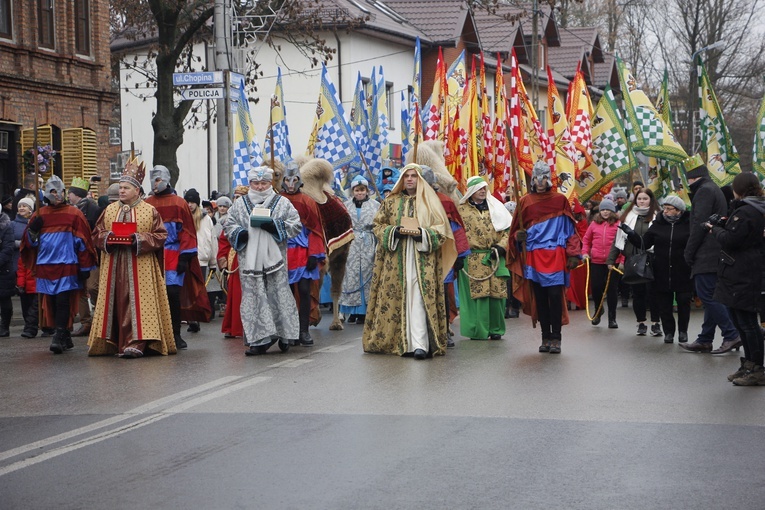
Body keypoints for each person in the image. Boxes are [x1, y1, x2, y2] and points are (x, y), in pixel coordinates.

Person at [362, 163, 457, 359]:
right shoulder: (390, 202)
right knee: (399, 299)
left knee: (420, 299)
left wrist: (422, 235)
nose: (410, 179)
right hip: (396, 260)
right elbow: (378, 225)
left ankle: (420, 344)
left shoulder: (430, 203)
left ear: (420, 179)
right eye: (407, 176)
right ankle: (402, 343)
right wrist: (393, 232)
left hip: (422, 260)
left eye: (414, 176)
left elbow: (441, 231)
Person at [87, 159, 176, 358]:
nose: (121, 191)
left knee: (139, 303)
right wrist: (109, 238)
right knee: (116, 300)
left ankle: (138, 342)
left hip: (141, 265)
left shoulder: (149, 210)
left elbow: (161, 235)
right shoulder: (109, 210)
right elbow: (96, 234)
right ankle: (114, 340)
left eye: (126, 188)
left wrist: (137, 239)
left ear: (137, 190)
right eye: (120, 187)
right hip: (114, 264)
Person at [223, 165, 302, 355]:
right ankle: (259, 339)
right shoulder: (240, 204)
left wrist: (275, 226)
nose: (259, 187)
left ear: (270, 183)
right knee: (253, 297)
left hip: (276, 260)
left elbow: (296, 225)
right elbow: (229, 225)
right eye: (255, 183)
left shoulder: (282, 203)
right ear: (250, 183)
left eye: (263, 183)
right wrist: (239, 234)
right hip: (249, 260)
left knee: (279, 295)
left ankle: (285, 334)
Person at [507, 161, 581, 354]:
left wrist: (573, 253)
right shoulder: (525, 202)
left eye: (545, 177)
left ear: (550, 178)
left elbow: (570, 230)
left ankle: (556, 338)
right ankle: (545, 336)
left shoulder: (560, 200)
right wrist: (518, 237)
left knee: (555, 296)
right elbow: (515, 231)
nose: (541, 182)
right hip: (533, 255)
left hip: (555, 254)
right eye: (538, 178)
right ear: (533, 180)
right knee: (540, 298)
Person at [20, 176, 97, 354]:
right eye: (53, 191)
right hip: (45, 265)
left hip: (67, 264)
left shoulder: (74, 213)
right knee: (51, 301)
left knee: (63, 299)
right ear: (47, 193)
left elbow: (83, 242)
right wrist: (33, 229)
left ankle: (59, 334)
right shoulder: (40, 214)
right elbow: (29, 244)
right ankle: (64, 335)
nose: (58, 194)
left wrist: (85, 268)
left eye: (61, 191)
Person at [705, 173, 765, 385]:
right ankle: (749, 364)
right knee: (741, 322)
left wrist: (716, 229)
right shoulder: (752, 208)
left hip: (743, 272)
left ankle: (758, 368)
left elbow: (732, 239)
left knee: (747, 323)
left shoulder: (748, 211)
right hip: (741, 271)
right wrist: (726, 221)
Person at [680, 155, 741, 354]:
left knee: (707, 294)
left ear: (691, 177)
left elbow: (699, 225)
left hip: (706, 253)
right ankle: (705, 339)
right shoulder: (713, 188)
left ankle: (731, 334)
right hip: (716, 251)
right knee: (712, 295)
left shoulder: (703, 192)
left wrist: (689, 252)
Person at [145, 165, 209, 349]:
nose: (155, 183)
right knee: (154, 296)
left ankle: (175, 333)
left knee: (173, 293)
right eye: (153, 179)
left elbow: (188, 231)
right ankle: (156, 333)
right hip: (153, 254)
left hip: (174, 254)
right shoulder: (147, 203)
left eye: (158, 179)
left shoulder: (180, 203)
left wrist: (185, 257)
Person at [622, 194, 692, 344]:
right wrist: (631, 234)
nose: (665, 211)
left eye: (669, 209)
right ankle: (668, 332)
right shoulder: (658, 223)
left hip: (683, 269)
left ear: (679, 211)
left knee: (683, 302)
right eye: (664, 208)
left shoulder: (689, 223)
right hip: (661, 268)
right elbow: (644, 243)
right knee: (664, 303)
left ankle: (683, 331)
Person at [457, 176, 511, 340]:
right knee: (478, 297)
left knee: (497, 295)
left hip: (495, 256)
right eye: (479, 188)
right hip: (472, 258)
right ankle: (477, 330)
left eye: (484, 188)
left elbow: (508, 230)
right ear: (471, 191)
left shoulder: (497, 208)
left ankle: (496, 329)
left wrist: (502, 246)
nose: (482, 191)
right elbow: (456, 233)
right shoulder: (461, 210)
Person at [280, 163, 326, 345]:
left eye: (294, 180)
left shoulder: (308, 202)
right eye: (287, 179)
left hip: (303, 252)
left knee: (305, 290)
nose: (291, 183)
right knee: (287, 293)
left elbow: (315, 230)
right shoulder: (277, 201)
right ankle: (289, 330)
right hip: (284, 252)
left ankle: (303, 330)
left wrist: (314, 254)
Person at [609, 189, 662, 337]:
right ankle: (641, 323)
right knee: (638, 293)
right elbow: (618, 240)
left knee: (653, 293)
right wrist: (611, 259)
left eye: (645, 199)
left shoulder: (658, 217)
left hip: (653, 259)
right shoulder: (628, 217)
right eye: (639, 199)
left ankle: (656, 323)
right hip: (633, 259)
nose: (642, 201)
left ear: (651, 200)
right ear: (635, 200)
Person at [339, 176, 379, 326]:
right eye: (357, 190)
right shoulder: (346, 206)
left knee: (368, 273)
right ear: (353, 191)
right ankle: (352, 310)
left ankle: (365, 311)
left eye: (362, 190)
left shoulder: (375, 205)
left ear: (367, 191)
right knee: (352, 274)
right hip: (352, 243)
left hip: (369, 242)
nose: (360, 193)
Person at [68, 176, 102, 338]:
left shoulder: (92, 209)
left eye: (70, 193)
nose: (68, 196)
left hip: (91, 253)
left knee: (92, 287)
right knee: (81, 289)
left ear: (76, 194)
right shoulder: (71, 209)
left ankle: (100, 317)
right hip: (75, 254)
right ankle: (86, 322)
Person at [583, 199, 621, 329]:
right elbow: (586, 240)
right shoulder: (593, 224)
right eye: (603, 209)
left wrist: (621, 261)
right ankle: (598, 311)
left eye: (608, 210)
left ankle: (612, 318)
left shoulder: (618, 224)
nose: (605, 212)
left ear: (613, 211)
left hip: (612, 262)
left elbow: (622, 244)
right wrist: (585, 253)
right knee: (596, 287)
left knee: (611, 290)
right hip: (596, 261)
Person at [184, 188, 217, 330]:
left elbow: (212, 239)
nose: (190, 205)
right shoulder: (183, 217)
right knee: (188, 291)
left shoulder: (206, 219)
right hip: (187, 257)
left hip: (201, 258)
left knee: (198, 290)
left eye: (192, 202)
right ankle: (191, 319)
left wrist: (213, 262)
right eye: (188, 202)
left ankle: (197, 318)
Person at [12, 197, 38, 338]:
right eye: (19, 205)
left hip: (35, 275)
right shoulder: (13, 224)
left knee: (36, 306)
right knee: (26, 305)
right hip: (22, 267)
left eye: (25, 206)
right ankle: (30, 326)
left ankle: (31, 327)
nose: (21, 208)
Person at [0, 206, 13, 336]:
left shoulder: (6, 227)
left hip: (3, 269)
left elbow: (8, 248)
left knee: (4, 298)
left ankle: (4, 326)